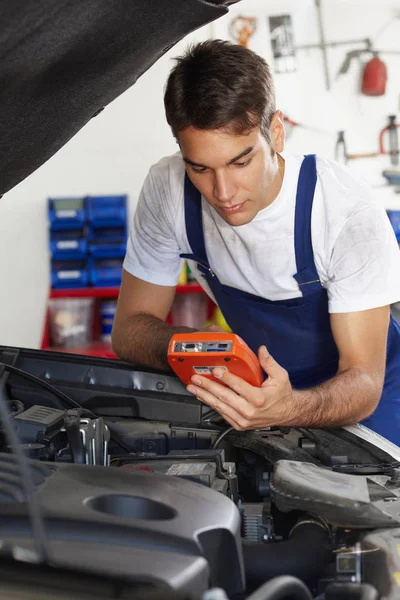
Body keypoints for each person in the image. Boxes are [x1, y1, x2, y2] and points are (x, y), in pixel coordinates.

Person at [112, 39, 400, 445]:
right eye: (200, 168)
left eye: (240, 161)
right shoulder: (169, 190)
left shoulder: (343, 212)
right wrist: (194, 348)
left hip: (373, 398)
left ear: (276, 134)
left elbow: (364, 380)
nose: (223, 192)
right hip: (257, 390)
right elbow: (128, 330)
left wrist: (289, 407)